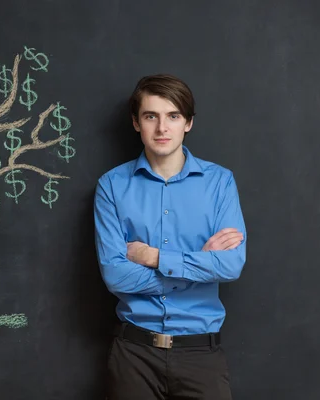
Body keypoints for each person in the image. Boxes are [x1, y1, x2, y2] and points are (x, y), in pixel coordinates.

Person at [94, 74, 247, 399]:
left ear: (188, 123)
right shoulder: (111, 186)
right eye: (151, 116)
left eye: (173, 116)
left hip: (200, 355)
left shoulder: (220, 183)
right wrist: (197, 265)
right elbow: (116, 276)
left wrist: (155, 258)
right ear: (136, 123)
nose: (162, 128)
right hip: (133, 355)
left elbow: (230, 265)